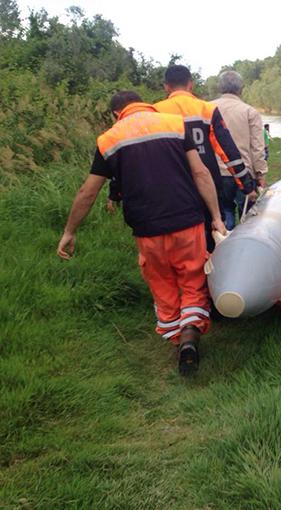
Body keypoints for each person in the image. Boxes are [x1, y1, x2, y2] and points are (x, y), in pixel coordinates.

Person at [56, 91, 227, 375]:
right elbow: (200, 173)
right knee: (193, 278)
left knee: (162, 284)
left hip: (147, 230)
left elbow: (88, 191)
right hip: (188, 220)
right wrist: (217, 218)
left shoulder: (109, 139)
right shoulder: (175, 123)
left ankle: (178, 340)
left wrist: (69, 231)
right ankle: (190, 335)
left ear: (115, 114)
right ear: (146, 104)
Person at [153, 64, 256, 240]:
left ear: (166, 86)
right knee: (212, 236)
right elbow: (228, 151)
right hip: (208, 186)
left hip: (171, 188)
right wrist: (246, 184)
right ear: (190, 84)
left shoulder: (155, 111)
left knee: (177, 238)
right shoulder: (207, 109)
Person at [212, 70, 268, 224]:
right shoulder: (250, 112)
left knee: (224, 213)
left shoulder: (206, 108)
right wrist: (261, 174)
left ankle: (225, 243)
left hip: (216, 173)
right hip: (244, 174)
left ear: (219, 88)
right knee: (248, 218)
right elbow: (257, 147)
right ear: (241, 89)